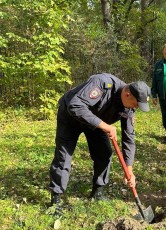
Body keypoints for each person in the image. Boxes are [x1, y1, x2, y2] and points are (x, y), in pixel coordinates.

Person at [49, 73, 151, 212]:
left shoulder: (129, 108)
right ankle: (56, 198)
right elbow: (75, 106)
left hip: (96, 122)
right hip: (70, 117)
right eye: (136, 104)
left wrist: (129, 169)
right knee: (64, 155)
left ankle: (98, 191)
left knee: (104, 153)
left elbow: (129, 138)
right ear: (127, 94)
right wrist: (106, 126)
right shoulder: (103, 84)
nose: (136, 108)